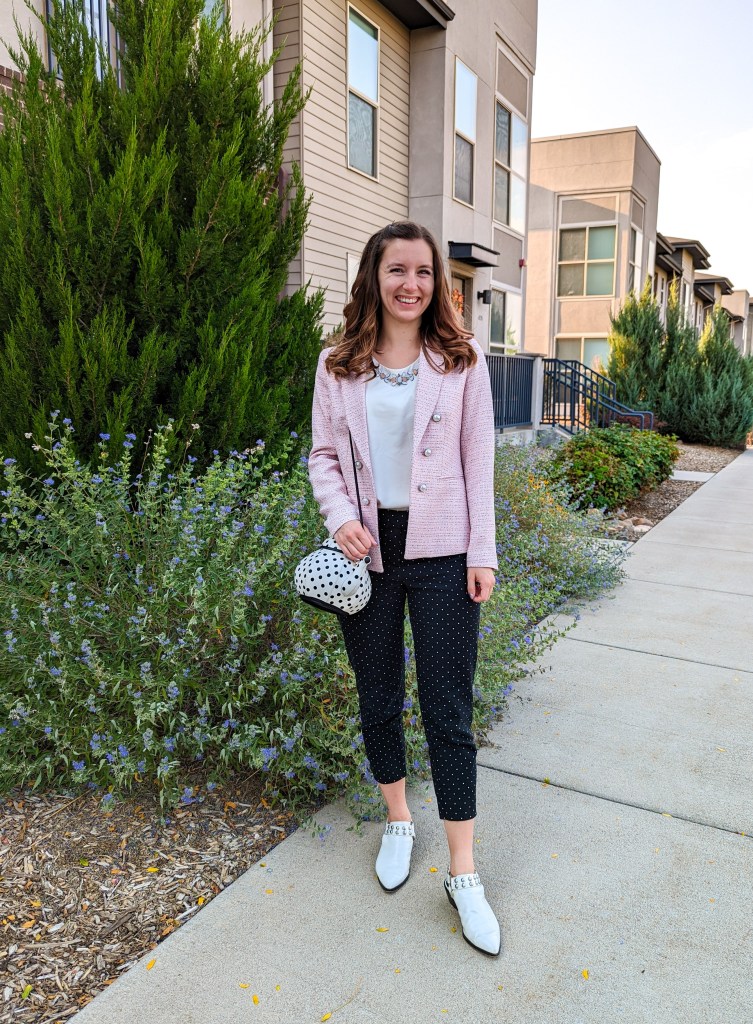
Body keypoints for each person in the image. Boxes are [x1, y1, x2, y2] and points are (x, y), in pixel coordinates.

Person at [308, 221, 500, 956]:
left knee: (447, 708)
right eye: (397, 270)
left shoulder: (461, 358)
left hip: (445, 550)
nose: (411, 283)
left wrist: (481, 551)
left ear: (437, 283)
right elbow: (323, 455)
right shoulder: (339, 362)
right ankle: (397, 818)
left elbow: (476, 458)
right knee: (377, 693)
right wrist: (340, 518)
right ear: (374, 276)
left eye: (423, 271)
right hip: (366, 552)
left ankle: (462, 870)